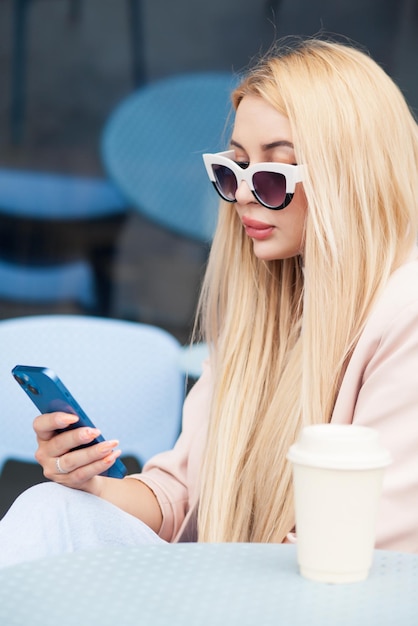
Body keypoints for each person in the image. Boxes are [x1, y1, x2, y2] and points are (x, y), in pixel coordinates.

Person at [1, 36, 418, 566]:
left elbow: (365, 553)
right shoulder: (270, 309)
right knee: (52, 509)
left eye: (272, 176)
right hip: (232, 587)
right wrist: (91, 482)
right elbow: (180, 501)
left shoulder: (406, 316)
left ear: (352, 178)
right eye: (232, 170)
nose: (242, 194)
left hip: (320, 598)